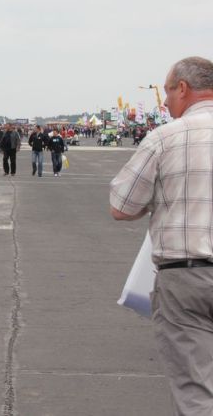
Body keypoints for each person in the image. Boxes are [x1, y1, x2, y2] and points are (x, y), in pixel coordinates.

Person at [110, 56, 213, 416]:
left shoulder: (166, 138)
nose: (165, 101)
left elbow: (121, 205)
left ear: (183, 88)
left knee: (197, 388)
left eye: (168, 91)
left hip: (187, 274)